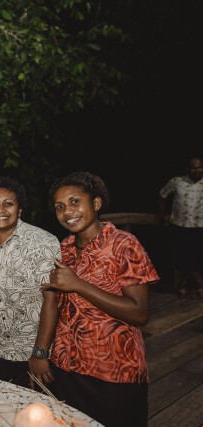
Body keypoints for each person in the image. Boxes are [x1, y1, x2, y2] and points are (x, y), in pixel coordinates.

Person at [46, 171, 159, 427]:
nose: (67, 211)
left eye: (75, 201)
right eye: (59, 206)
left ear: (96, 203)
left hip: (113, 372)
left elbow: (139, 313)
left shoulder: (124, 245)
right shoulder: (63, 248)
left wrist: (78, 285)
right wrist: (42, 353)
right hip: (66, 368)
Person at [0, 176, 61, 390]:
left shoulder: (42, 242)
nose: (0, 210)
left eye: (8, 204)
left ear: (19, 210)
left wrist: (40, 353)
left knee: (38, 410)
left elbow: (52, 301)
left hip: (35, 354)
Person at [159, 156, 203, 299]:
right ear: (188, 169)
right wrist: (162, 214)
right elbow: (163, 194)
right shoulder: (177, 181)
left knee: (197, 257)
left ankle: (199, 286)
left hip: (199, 226)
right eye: (193, 167)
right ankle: (181, 287)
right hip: (180, 225)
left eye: (199, 167)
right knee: (180, 257)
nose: (197, 170)